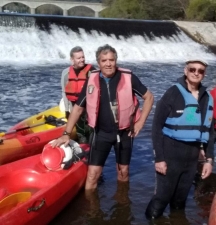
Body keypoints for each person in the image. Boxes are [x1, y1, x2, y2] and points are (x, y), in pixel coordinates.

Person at [53, 44, 154, 190]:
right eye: (104, 60)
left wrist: (140, 123)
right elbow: (78, 108)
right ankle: (90, 211)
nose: (108, 64)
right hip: (101, 133)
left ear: (116, 61)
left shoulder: (128, 77)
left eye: (111, 60)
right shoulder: (92, 80)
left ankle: (122, 206)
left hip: (124, 133)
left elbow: (149, 97)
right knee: (93, 174)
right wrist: (66, 134)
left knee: (123, 172)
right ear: (98, 63)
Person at [145, 59, 214, 219]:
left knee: (180, 201)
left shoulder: (207, 98)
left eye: (200, 71)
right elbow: (156, 128)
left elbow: (209, 131)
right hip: (171, 155)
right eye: (192, 69)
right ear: (186, 71)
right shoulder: (172, 93)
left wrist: (209, 160)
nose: (196, 73)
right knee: (162, 198)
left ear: (204, 74)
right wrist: (159, 159)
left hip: (191, 159)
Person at [61, 46, 96, 143]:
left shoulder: (92, 71)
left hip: (89, 110)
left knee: (92, 134)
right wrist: (67, 111)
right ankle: (82, 148)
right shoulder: (66, 73)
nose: (82, 60)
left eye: (83, 57)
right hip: (75, 109)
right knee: (81, 134)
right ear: (72, 60)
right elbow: (64, 92)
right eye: (79, 58)